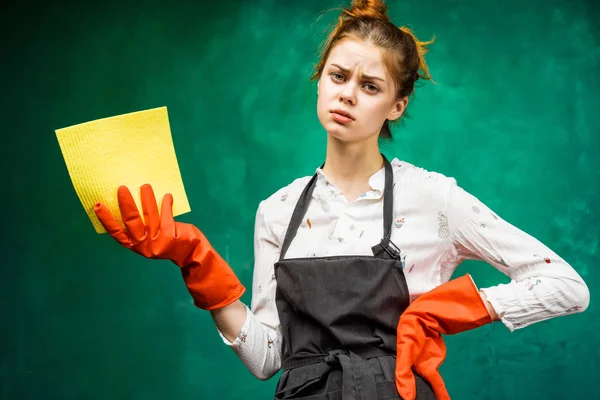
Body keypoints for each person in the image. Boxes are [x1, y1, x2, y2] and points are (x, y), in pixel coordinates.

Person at [93, 0, 590, 399]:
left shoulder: (434, 198)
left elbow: (567, 286)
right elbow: (269, 361)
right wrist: (197, 263)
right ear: (320, 79)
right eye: (338, 77)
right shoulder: (279, 211)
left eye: (370, 86)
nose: (348, 94)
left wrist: (442, 312)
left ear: (397, 104)